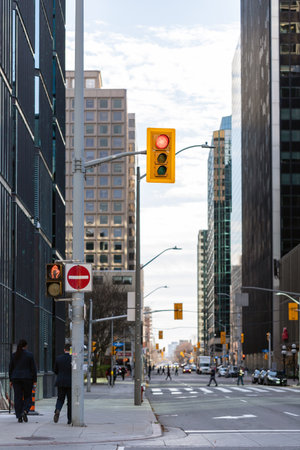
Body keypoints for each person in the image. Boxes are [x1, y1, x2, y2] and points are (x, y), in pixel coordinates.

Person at [9, 339, 37, 423]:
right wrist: (35, 380)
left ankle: (19, 415)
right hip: (27, 378)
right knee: (28, 396)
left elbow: (10, 368)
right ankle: (25, 411)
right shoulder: (29, 355)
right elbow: (33, 368)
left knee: (18, 397)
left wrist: (10, 379)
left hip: (16, 378)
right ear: (25, 346)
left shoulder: (14, 355)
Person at [53, 343, 72, 425]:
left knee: (60, 398)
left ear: (64, 350)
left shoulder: (58, 358)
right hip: (70, 383)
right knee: (70, 401)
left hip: (60, 381)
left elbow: (55, 370)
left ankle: (58, 409)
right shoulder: (73, 359)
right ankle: (69, 419)